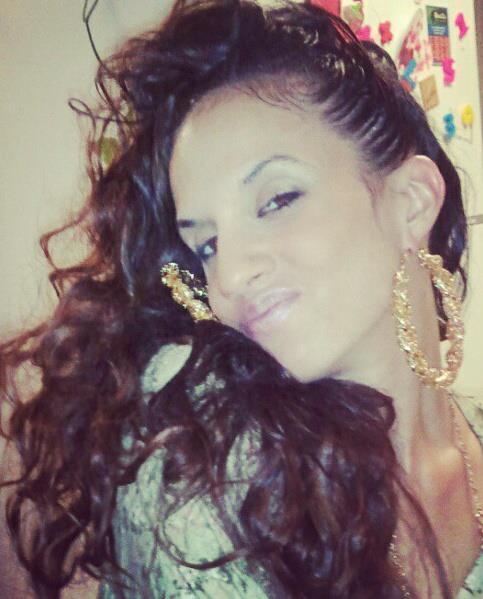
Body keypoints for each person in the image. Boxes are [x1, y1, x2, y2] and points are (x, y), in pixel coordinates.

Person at [0, 1, 481, 597]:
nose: (227, 278)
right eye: (206, 246)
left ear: (411, 202)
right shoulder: (209, 477)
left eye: (276, 201)